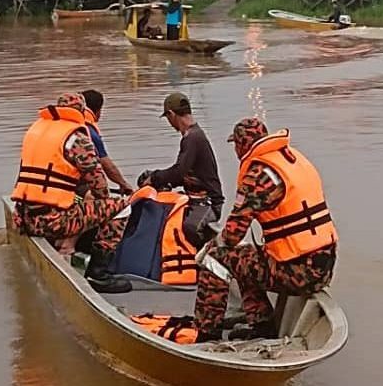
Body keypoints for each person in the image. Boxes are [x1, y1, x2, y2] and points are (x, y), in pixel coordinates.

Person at [193, 118, 338, 342]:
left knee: (217, 258)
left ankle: (206, 334)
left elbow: (232, 234)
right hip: (322, 267)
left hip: (297, 271)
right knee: (246, 258)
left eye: (235, 145)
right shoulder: (292, 160)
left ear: (241, 145)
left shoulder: (259, 175)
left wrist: (208, 248)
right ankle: (261, 327)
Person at [11, 93, 132, 293]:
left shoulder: (35, 132)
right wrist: (104, 201)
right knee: (121, 208)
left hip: (24, 218)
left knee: (79, 201)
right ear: (81, 112)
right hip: (53, 222)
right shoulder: (75, 138)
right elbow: (99, 185)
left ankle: (65, 245)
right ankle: (99, 274)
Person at [142, 92, 225, 221]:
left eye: (168, 118)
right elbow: (184, 175)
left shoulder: (192, 138)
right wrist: (159, 178)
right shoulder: (194, 134)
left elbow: (179, 171)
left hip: (209, 204)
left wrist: (155, 178)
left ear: (171, 114)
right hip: (201, 200)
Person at [81, 90, 133, 195]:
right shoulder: (88, 131)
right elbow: (106, 164)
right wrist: (123, 184)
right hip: (71, 193)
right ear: (98, 111)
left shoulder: (61, 126)